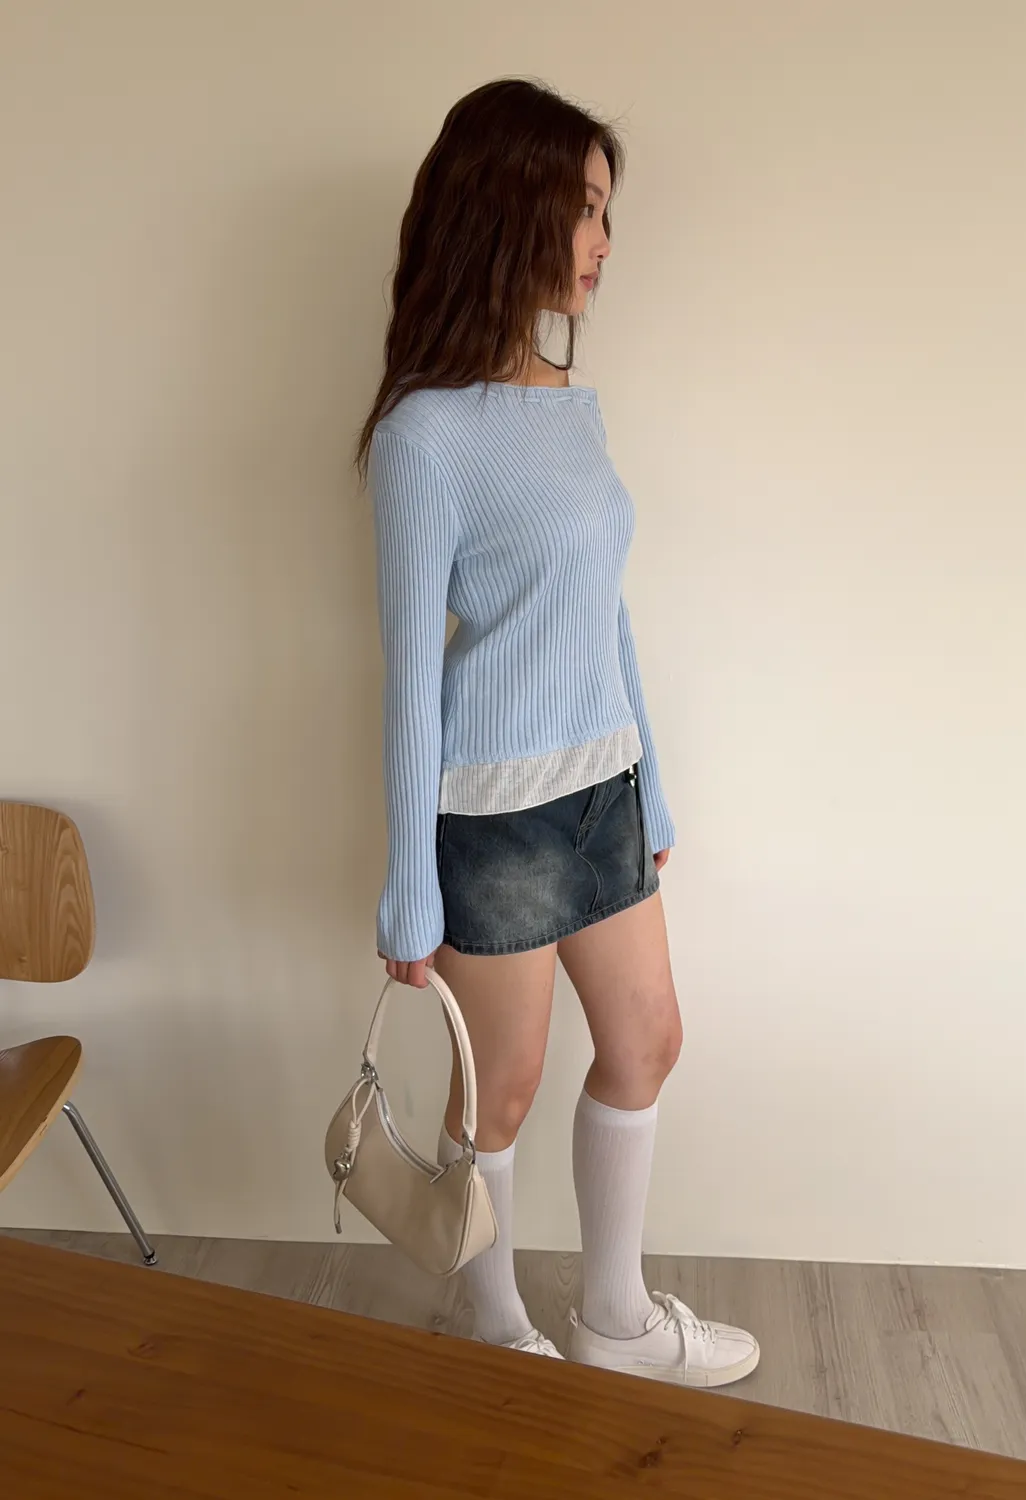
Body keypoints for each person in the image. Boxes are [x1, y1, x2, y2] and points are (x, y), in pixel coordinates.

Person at [357, 77, 759, 1386]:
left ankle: (614, 1323)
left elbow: (607, 617)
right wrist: (409, 884)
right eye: (585, 209)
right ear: (509, 206)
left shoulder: (571, 406)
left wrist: (655, 790)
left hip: (605, 789)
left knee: (647, 1044)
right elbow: (408, 676)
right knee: (505, 1089)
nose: (602, 241)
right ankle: (494, 1338)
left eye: (605, 213)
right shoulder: (424, 437)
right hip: (496, 814)